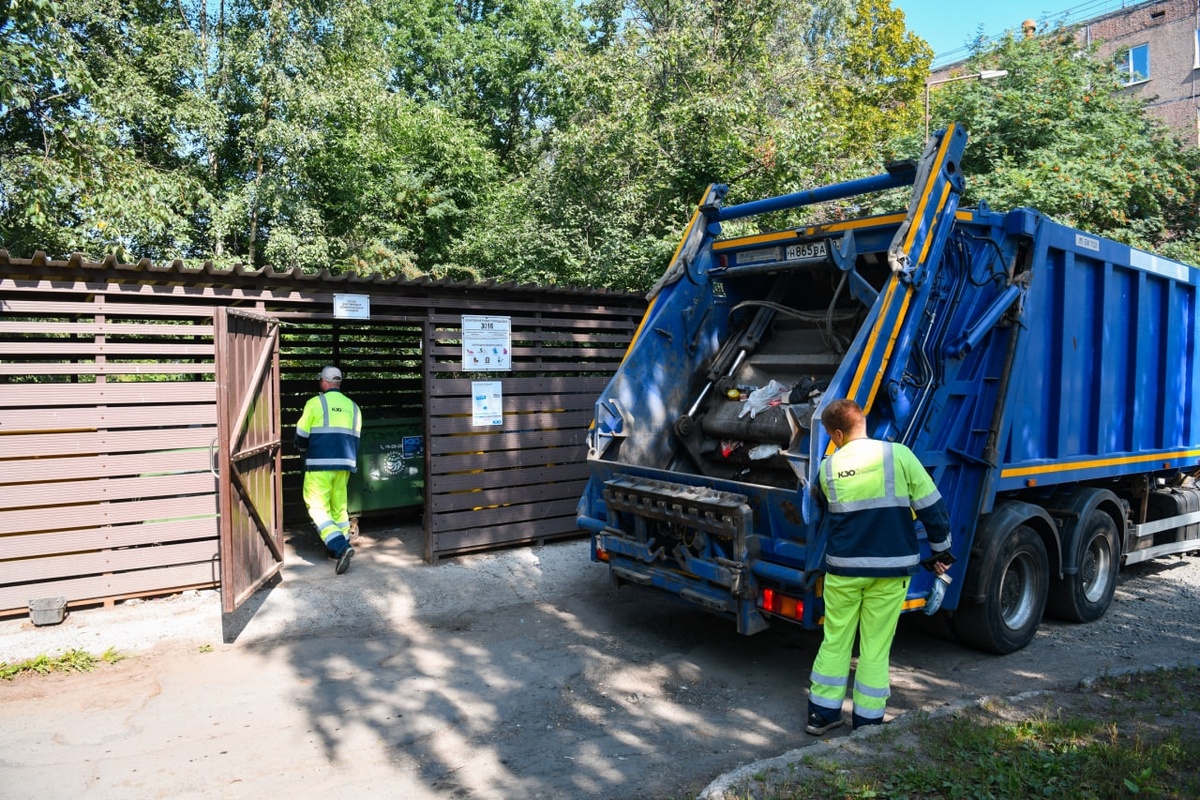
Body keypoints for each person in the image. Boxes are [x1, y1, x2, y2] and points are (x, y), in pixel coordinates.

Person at [806, 398, 953, 735]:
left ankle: (821, 715)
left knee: (835, 640)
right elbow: (932, 508)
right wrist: (941, 554)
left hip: (844, 570)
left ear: (838, 434)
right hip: (891, 571)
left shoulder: (827, 468)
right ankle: (867, 724)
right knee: (875, 647)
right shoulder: (898, 455)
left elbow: (825, 511)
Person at [294, 365, 362, 574]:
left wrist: (301, 449)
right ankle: (339, 549)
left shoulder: (315, 403)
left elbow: (301, 435)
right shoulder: (354, 407)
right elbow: (356, 439)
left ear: (323, 382)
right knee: (339, 508)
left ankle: (340, 547)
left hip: (319, 465)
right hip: (344, 465)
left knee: (317, 507)